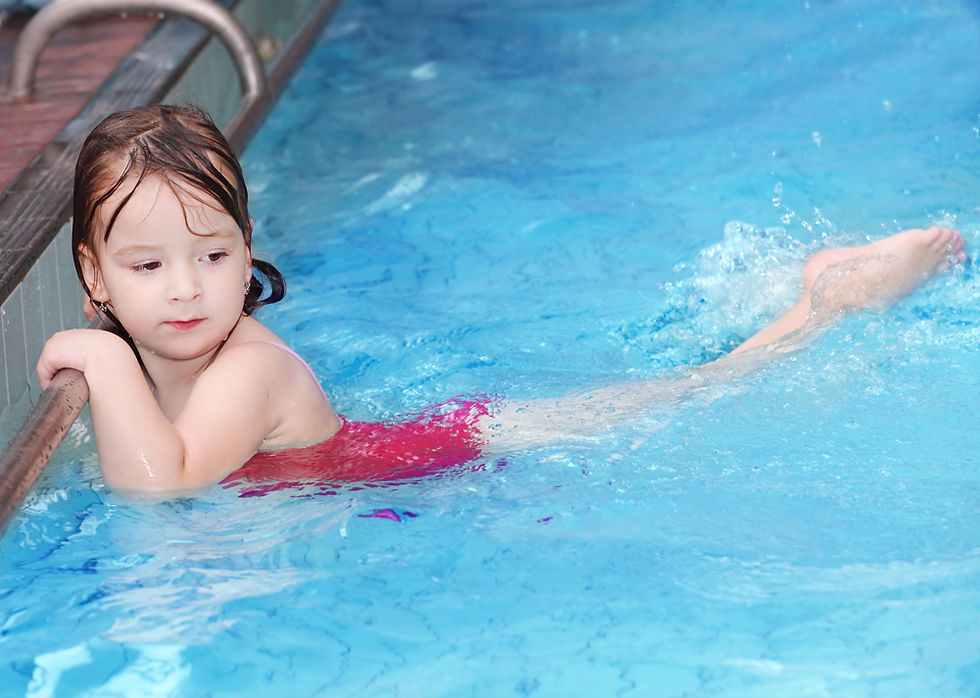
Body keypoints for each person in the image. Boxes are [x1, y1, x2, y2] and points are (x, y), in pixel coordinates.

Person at [36, 104, 969, 497]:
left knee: (710, 384)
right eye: (149, 267)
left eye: (212, 253)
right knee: (699, 377)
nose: (189, 286)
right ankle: (813, 299)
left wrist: (107, 357)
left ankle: (831, 302)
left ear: (247, 256)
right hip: (419, 442)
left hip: (456, 448)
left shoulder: (244, 369)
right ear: (94, 274)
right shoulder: (179, 352)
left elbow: (161, 485)